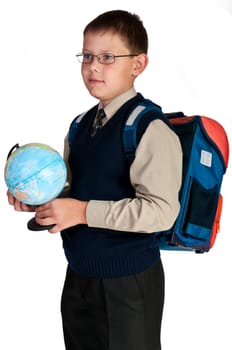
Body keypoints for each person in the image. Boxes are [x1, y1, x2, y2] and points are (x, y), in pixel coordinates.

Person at [7, 10, 182, 350]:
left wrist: (82, 212)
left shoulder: (149, 129)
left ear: (138, 64)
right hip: (79, 277)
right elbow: (74, 193)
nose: (93, 67)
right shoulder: (80, 125)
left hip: (127, 284)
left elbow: (160, 212)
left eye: (107, 57)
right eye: (87, 56)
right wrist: (39, 200)